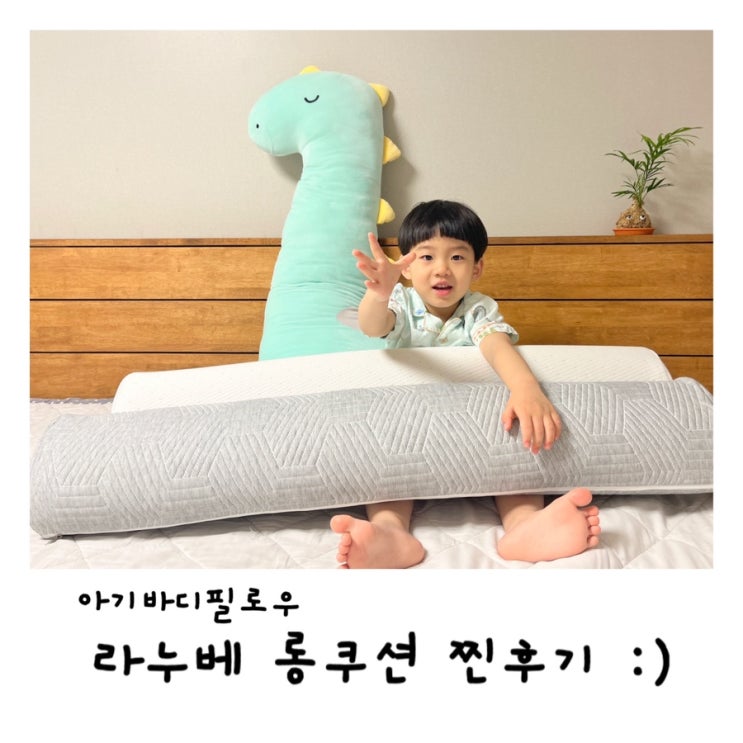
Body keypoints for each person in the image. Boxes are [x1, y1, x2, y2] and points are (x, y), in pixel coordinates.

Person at [330, 199, 600, 568]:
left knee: (517, 455)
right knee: (388, 469)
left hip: (471, 430)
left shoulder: (478, 309)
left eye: (457, 257)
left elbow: (496, 345)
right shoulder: (401, 303)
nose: (442, 269)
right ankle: (390, 534)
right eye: (427, 257)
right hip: (409, 427)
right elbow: (373, 326)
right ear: (406, 267)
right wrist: (379, 293)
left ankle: (525, 526)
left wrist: (525, 388)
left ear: (477, 268)